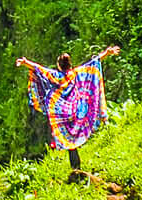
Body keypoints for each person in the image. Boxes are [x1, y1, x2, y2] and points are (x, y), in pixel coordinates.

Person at [16, 45, 121, 180]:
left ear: (59, 66)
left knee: (70, 143)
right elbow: (93, 63)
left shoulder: (55, 76)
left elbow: (38, 69)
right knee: (76, 136)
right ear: (70, 65)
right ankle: (77, 167)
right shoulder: (76, 73)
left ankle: (75, 168)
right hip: (77, 111)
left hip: (61, 114)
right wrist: (107, 52)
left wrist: (25, 63)